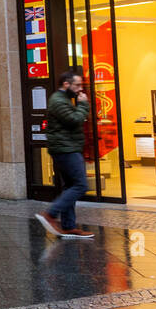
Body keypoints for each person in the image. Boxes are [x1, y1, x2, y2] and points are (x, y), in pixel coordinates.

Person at [36, 70, 96, 240]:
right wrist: (84, 105)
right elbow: (74, 120)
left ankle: (69, 227)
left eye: (81, 85)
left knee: (70, 186)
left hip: (67, 148)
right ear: (66, 84)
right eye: (77, 85)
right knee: (80, 185)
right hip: (66, 149)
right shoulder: (58, 100)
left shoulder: (64, 99)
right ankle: (51, 214)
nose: (80, 89)